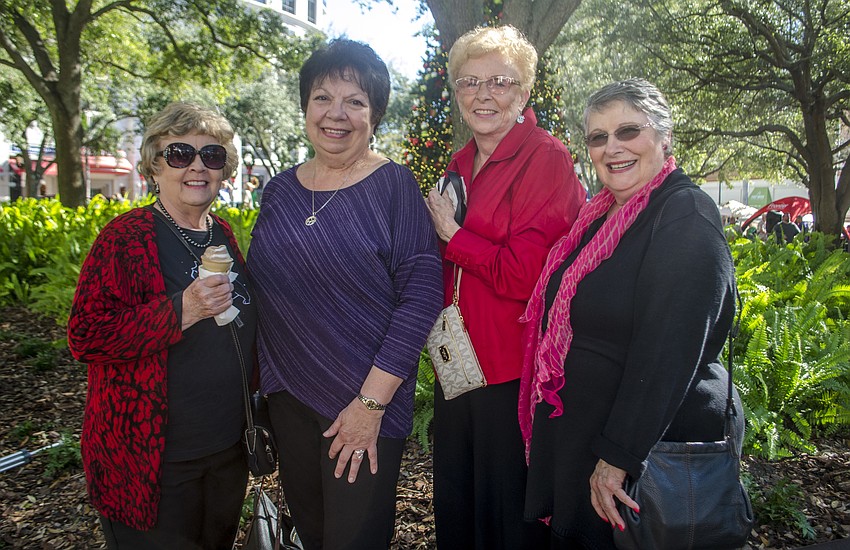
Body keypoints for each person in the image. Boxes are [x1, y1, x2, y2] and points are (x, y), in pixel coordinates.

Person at [518, 78, 743, 549]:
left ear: (665, 138)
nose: (612, 148)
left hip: (641, 457)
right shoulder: (598, 216)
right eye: (598, 137)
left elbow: (668, 352)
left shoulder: (685, 216)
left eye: (628, 132)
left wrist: (618, 455)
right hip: (584, 446)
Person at [248, 39, 443, 549]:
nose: (337, 114)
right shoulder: (280, 191)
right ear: (305, 107)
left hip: (363, 405)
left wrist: (370, 405)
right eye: (322, 97)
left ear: (374, 114)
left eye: (354, 101)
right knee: (313, 536)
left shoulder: (395, 186)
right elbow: (260, 288)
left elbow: (421, 295)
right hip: (288, 399)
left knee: (354, 540)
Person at [424, 25, 586, 550]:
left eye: (500, 81)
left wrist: (452, 234)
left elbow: (527, 275)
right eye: (470, 82)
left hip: (512, 372)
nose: (483, 94)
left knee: (503, 517)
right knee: (457, 507)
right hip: (457, 366)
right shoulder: (460, 162)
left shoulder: (547, 159)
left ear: (524, 92)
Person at [67, 102, 255, 549]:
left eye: (211, 156)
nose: (196, 166)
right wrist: (181, 310)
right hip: (153, 461)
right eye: (179, 154)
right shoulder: (125, 237)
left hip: (226, 452)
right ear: (155, 164)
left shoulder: (222, 234)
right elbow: (86, 335)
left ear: (224, 170)